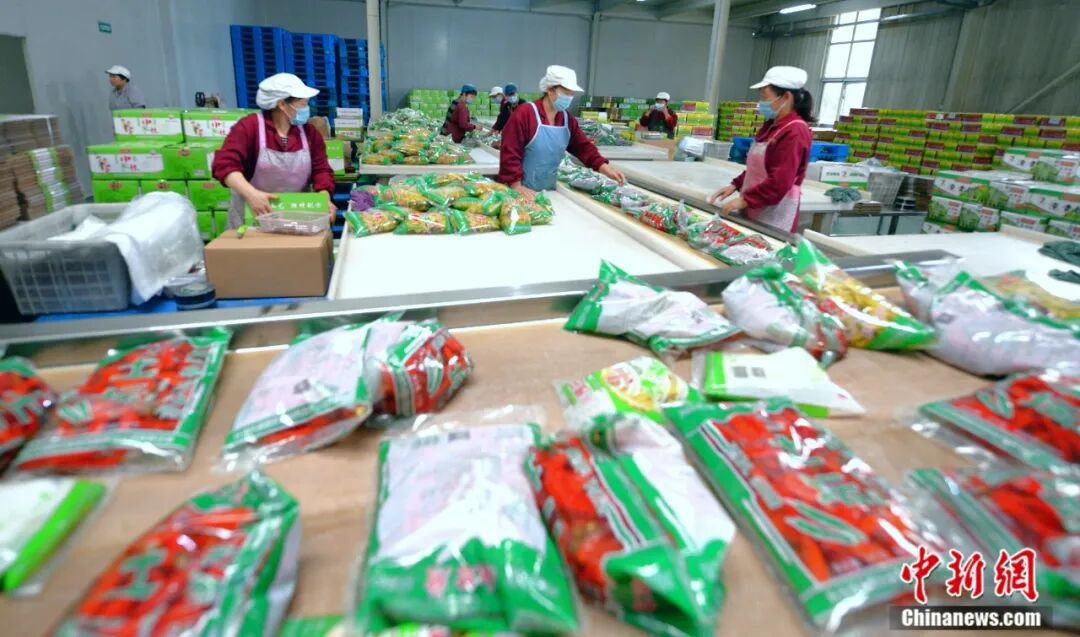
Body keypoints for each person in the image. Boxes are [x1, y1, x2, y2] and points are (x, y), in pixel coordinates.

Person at [212, 73, 336, 229]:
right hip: (251, 217)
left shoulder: (309, 133)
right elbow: (224, 165)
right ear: (282, 104)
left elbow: (321, 170)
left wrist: (323, 198)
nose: (306, 109)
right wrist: (251, 194)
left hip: (295, 216)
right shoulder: (249, 127)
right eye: (303, 104)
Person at [708, 66, 814, 233]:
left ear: (786, 97)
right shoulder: (772, 125)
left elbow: (780, 182)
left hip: (774, 213)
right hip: (755, 205)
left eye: (765, 97)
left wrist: (745, 200)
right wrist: (736, 184)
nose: (761, 103)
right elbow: (759, 169)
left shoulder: (795, 131)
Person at [498, 65, 624, 198]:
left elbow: (583, 147)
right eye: (566, 93)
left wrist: (604, 167)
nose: (569, 97)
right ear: (549, 89)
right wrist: (516, 186)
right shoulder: (525, 114)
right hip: (519, 190)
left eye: (572, 94)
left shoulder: (566, 119)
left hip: (547, 190)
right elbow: (510, 151)